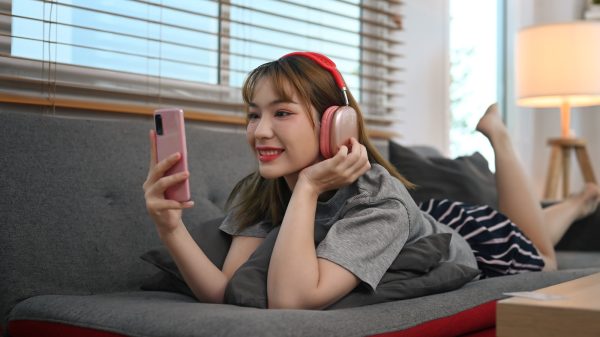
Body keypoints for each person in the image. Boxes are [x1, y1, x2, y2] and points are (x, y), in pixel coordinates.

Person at [143, 52, 600, 310]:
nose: (260, 131)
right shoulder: (263, 190)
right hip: (417, 220)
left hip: (471, 236)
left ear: (335, 124)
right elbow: (227, 290)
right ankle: (575, 203)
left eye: (281, 113)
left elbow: (291, 300)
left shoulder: (377, 202)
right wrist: (170, 227)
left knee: (542, 256)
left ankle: (500, 138)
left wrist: (307, 190)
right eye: (253, 115)